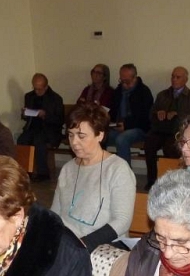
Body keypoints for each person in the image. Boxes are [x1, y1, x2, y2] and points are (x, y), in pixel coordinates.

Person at [51, 103, 136, 252]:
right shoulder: (67, 169)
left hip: (104, 246)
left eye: (81, 136)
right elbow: (55, 215)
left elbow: (122, 221)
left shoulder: (117, 169)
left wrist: (83, 244)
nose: (74, 142)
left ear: (100, 135)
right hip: (69, 245)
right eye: (70, 135)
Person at [144, 66, 190, 189]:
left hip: (179, 133)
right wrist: (158, 113)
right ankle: (152, 180)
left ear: (185, 79)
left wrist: (177, 115)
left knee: (170, 147)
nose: (174, 79)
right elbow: (151, 115)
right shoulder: (162, 95)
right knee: (149, 143)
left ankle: (171, 181)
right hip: (160, 130)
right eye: (173, 76)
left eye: (178, 77)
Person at [17, 73, 64, 180]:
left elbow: (60, 120)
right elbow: (26, 117)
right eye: (35, 88)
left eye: (40, 89)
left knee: (39, 140)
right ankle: (25, 172)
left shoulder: (56, 98)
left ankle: (43, 174)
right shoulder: (29, 96)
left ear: (46, 87)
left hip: (50, 129)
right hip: (32, 128)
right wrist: (25, 114)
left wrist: (45, 115)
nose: (37, 92)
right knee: (22, 140)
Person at [107, 63, 154, 165]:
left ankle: (125, 175)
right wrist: (109, 121)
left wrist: (127, 125)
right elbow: (113, 110)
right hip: (118, 126)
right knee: (99, 136)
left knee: (122, 139)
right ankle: (101, 170)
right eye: (122, 80)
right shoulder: (118, 91)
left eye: (127, 81)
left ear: (135, 78)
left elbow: (145, 118)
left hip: (139, 129)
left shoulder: (144, 92)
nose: (124, 84)